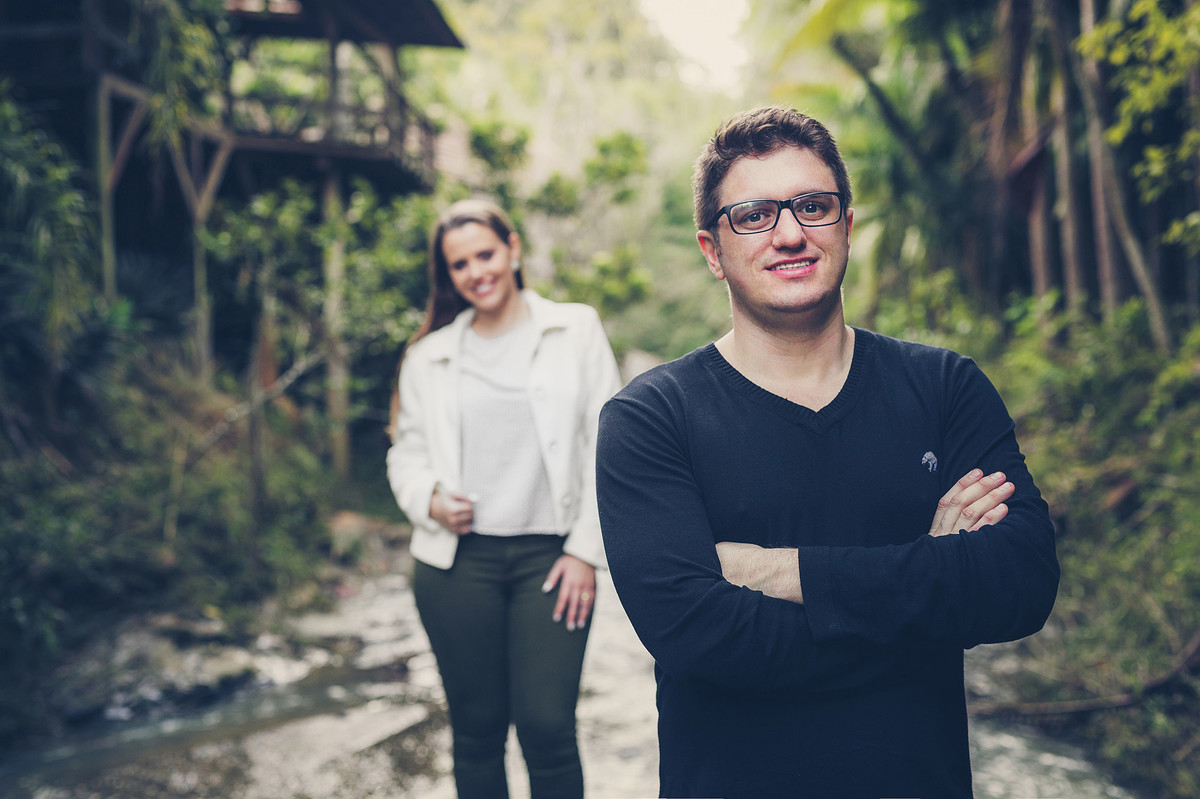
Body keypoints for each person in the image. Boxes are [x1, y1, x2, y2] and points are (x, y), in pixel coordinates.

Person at [596, 107, 1060, 798]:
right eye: (754, 216)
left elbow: (1021, 582)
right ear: (712, 251)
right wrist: (931, 579)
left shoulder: (944, 387)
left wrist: (787, 573)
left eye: (813, 206)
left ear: (846, 225)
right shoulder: (651, 418)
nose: (790, 233)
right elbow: (698, 637)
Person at [387, 198, 621, 799]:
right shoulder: (428, 356)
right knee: (477, 732)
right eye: (460, 264)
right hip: (457, 566)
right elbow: (405, 454)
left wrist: (585, 552)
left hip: (553, 560)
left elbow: (608, 444)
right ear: (449, 275)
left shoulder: (574, 329)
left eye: (485, 254)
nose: (477, 272)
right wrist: (430, 498)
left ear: (512, 249)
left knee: (548, 728)